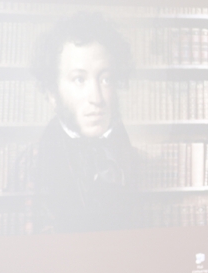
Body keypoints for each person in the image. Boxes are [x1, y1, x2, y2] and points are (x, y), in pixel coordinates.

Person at [31, 12, 140, 233]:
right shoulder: (32, 163)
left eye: (105, 79)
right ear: (52, 93)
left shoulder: (131, 156)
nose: (97, 98)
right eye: (79, 79)